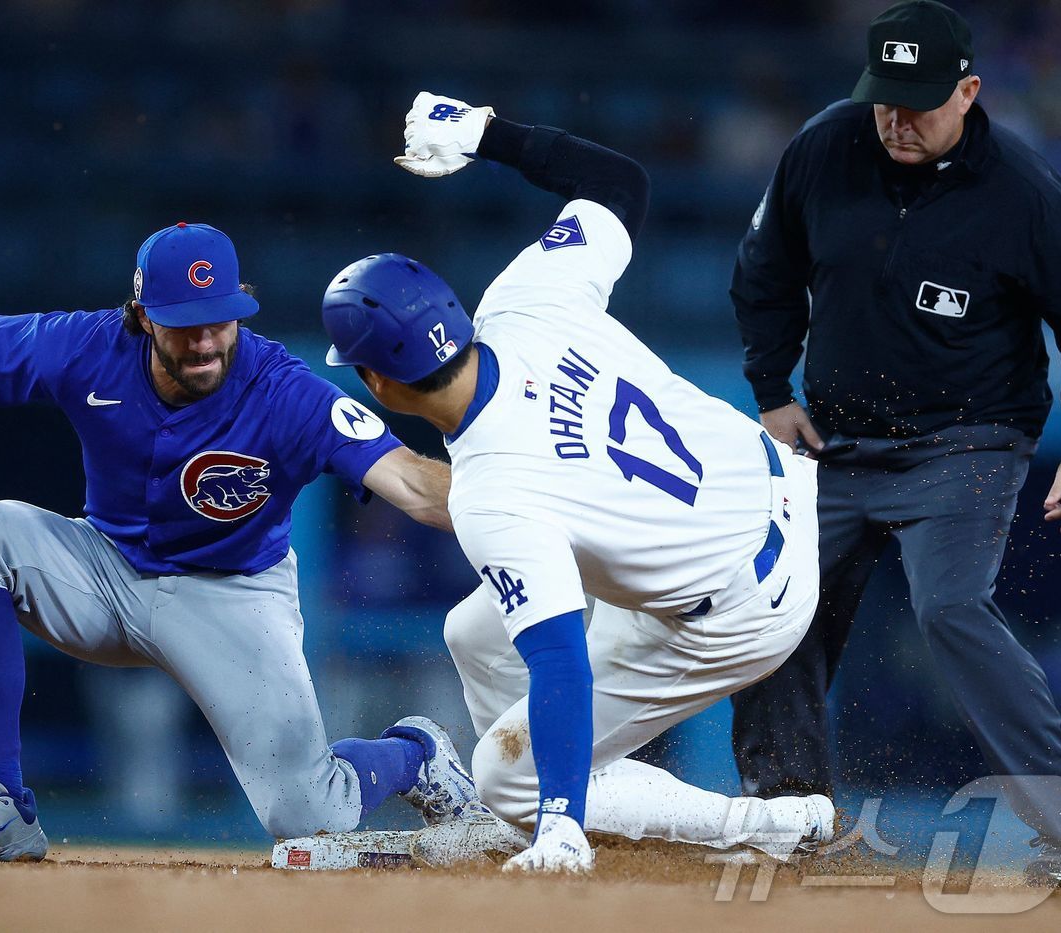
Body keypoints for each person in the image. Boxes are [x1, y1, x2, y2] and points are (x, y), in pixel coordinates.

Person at [0, 221, 481, 860]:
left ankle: (414, 753)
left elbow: (416, 486)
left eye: (219, 320)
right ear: (142, 315)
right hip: (105, 569)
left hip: (233, 596)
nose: (205, 341)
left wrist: (533, 507)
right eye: (184, 325)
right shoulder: (89, 346)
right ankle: (2, 804)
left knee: (308, 815)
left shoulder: (287, 392)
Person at [320, 92, 833, 873]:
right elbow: (621, 184)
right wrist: (491, 134)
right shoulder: (525, 297)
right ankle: (537, 808)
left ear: (379, 385)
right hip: (773, 486)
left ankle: (757, 824)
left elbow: (562, 659)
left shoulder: (490, 491)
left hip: (739, 606)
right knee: (473, 632)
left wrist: (561, 820)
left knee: (503, 771)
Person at [728, 0, 1061, 889]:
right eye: (884, 97)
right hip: (836, 442)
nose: (896, 118)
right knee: (769, 609)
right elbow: (764, 276)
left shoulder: (1024, 190)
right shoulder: (822, 149)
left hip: (966, 444)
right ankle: (791, 815)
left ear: (969, 91)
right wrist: (772, 391)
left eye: (920, 102)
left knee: (949, 609)